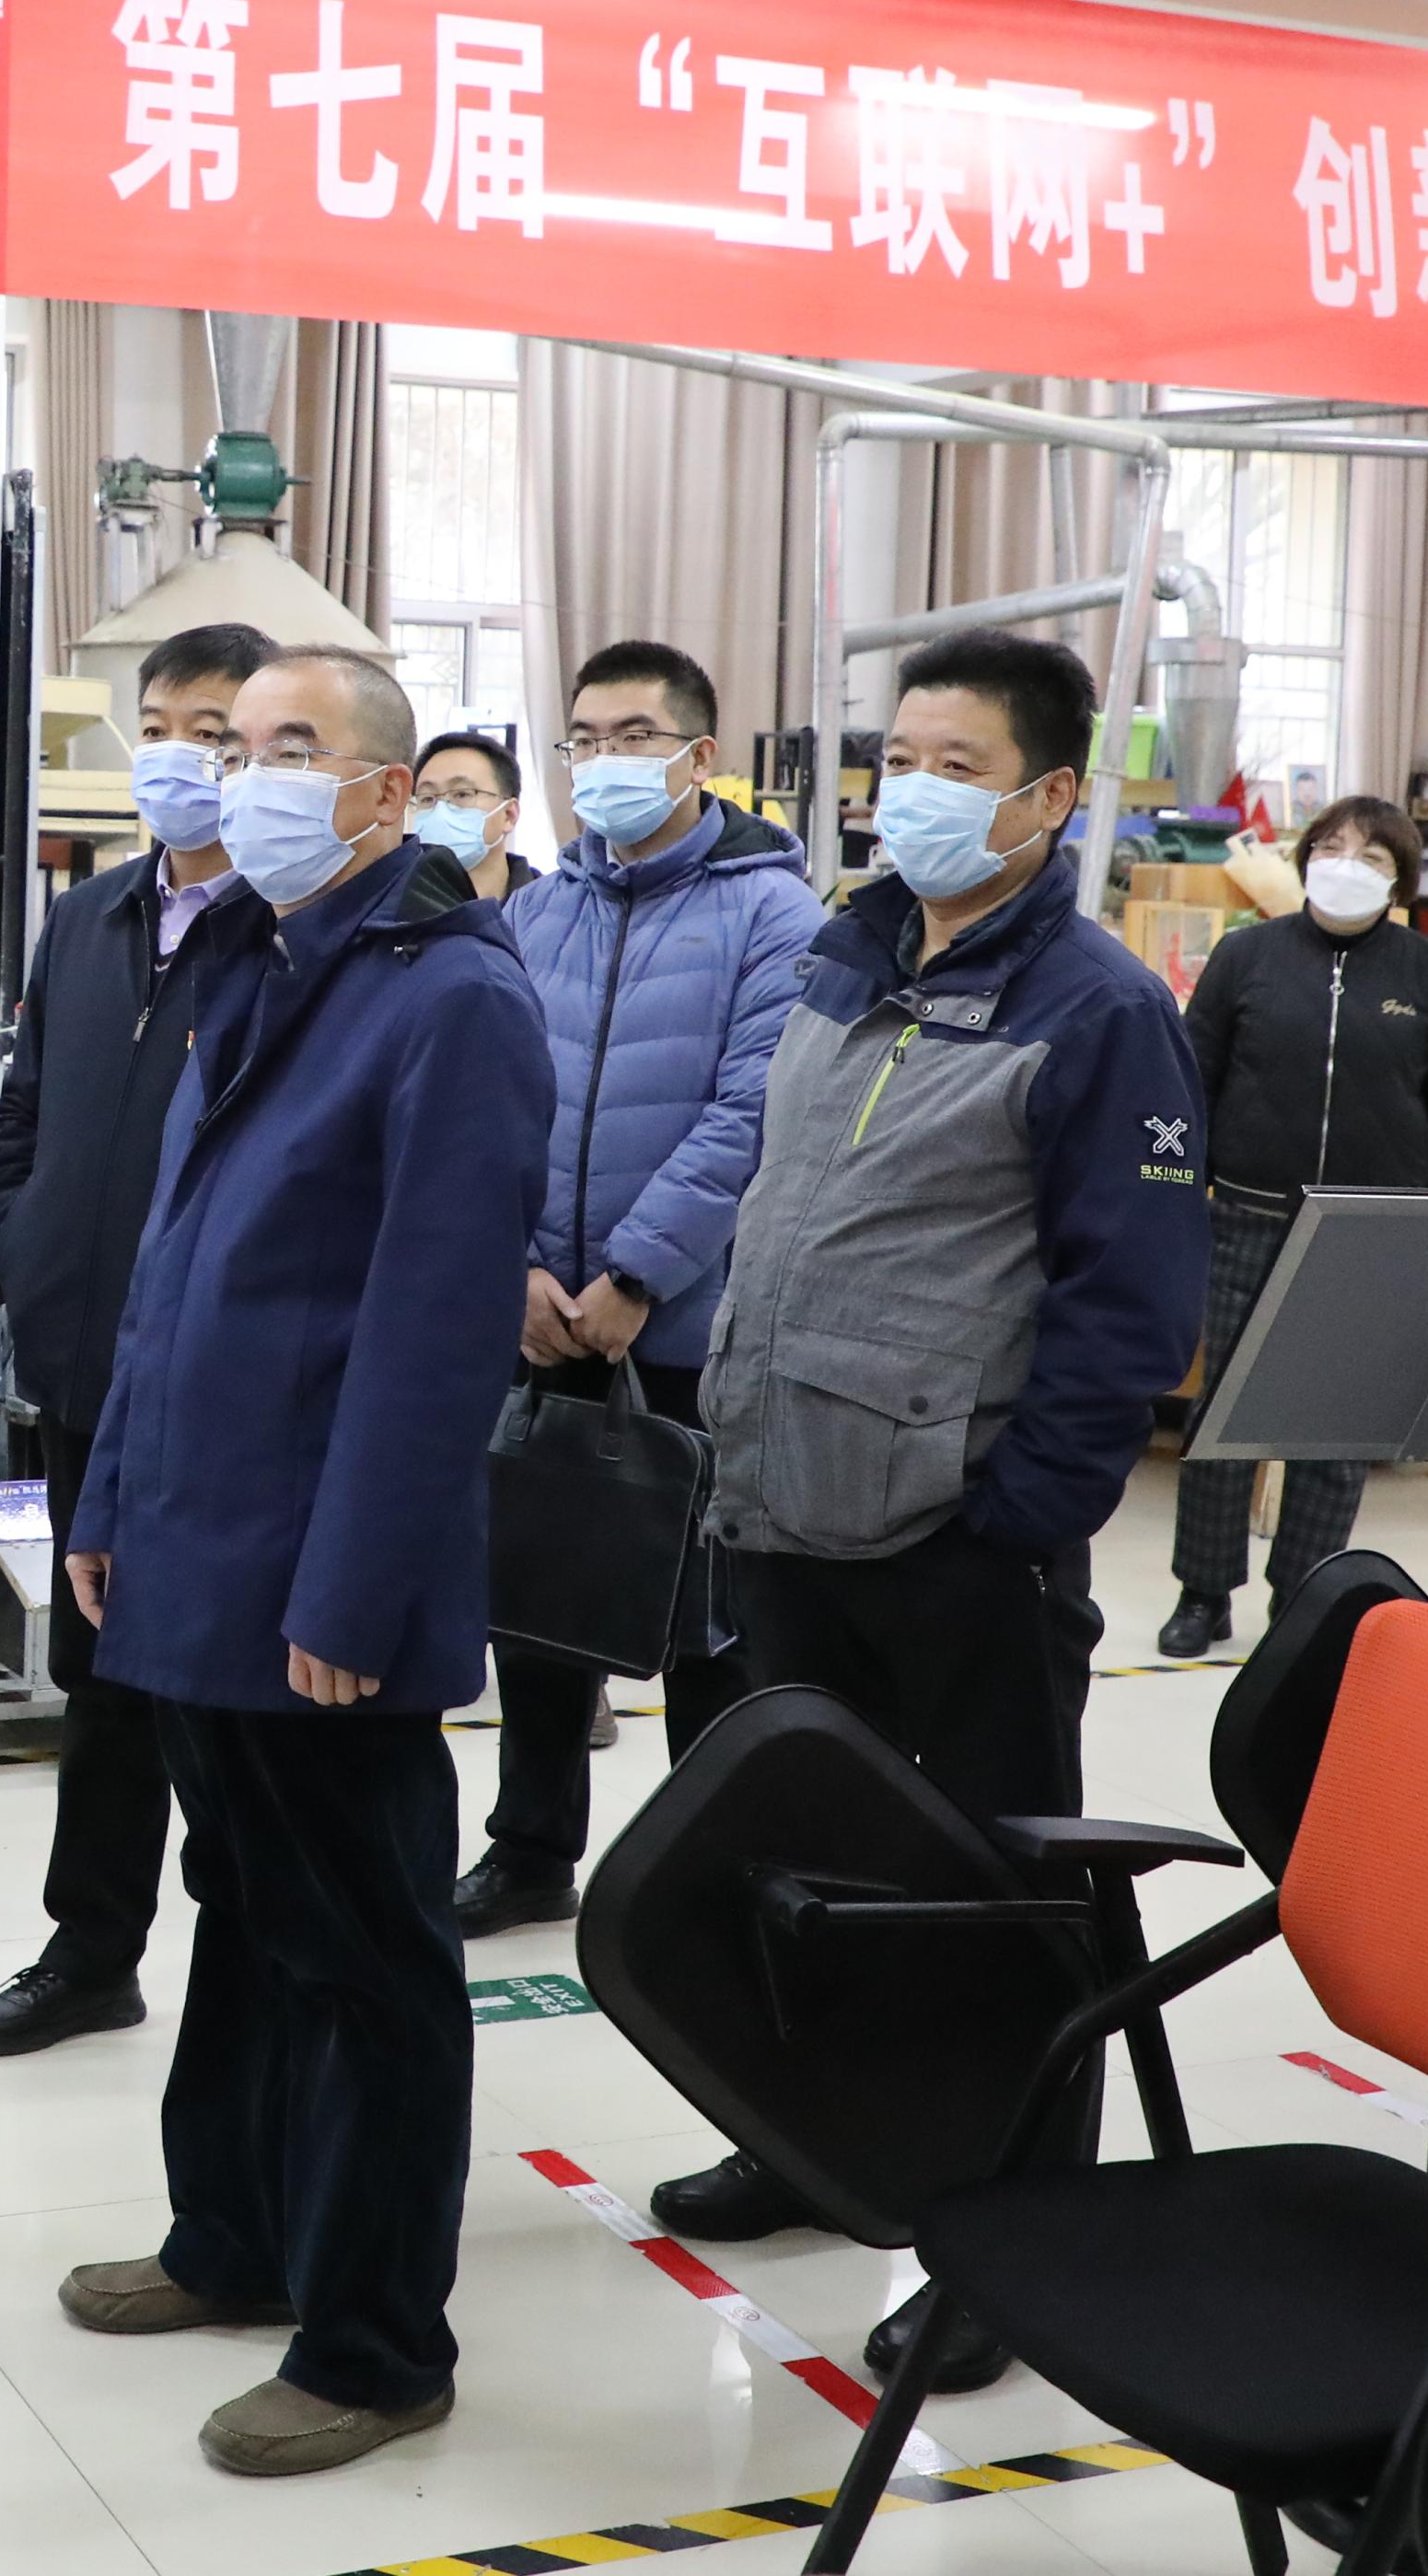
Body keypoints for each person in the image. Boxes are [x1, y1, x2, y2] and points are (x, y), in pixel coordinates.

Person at [656, 629, 1207, 2391]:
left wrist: (1015, 1514)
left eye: (958, 766)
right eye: (900, 757)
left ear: (1051, 797)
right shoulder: (847, 949)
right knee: (798, 1866)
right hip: (783, 1503)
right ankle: (806, 2142)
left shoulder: (1098, 1007)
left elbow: (1133, 1303)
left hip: (958, 1535)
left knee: (999, 1905)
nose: (915, 792)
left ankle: (1010, 2248)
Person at [55, 646, 546, 2480]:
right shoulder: (262, 961)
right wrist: (107, 1494)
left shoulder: (449, 998)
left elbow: (431, 1338)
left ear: (383, 790)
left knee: (364, 1959)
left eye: (285, 745)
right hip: (197, 1541)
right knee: (246, 1914)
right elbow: (174, 1269)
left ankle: (373, 2341)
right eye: (224, 739)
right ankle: (235, 2235)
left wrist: (354, 1590)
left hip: (320, 1576)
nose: (238, 771)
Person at [0, 621, 278, 2055]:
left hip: (216, 1379)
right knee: (96, 1676)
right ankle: (91, 1951)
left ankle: (261, 1954)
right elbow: (26, 1106)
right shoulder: (88, 917)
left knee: (207, 1678)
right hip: (84, 1361)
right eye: (158, 724)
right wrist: (12, 1244)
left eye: (213, 730)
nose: (177, 755)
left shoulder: (284, 932)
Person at [458, 638, 814, 1933]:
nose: (602, 761)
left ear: (699, 755)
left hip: (690, 1327)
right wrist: (521, 1269)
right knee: (540, 1596)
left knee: (705, 1619)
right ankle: (529, 1848)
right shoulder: (536, 910)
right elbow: (488, 1098)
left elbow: (750, 1111)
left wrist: (633, 1275)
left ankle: (712, 1867)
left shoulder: (775, 914)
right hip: (542, 1317)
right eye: (583, 739)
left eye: (632, 736)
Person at [1156, 795, 1428, 1656]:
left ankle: (1302, 1602)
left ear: (1400, 880)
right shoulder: (1247, 957)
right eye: (1332, 847)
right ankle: (1202, 1592)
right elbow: (1186, 1083)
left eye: (1373, 856)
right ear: (1304, 859)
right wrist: (1170, 1192)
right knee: (1224, 1415)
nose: (1348, 865)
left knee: (1338, 1428)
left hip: (1370, 1235)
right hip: (1247, 1215)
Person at [408, 727, 535, 901]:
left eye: (461, 794)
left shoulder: (549, 908)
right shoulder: (393, 909)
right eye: (427, 798)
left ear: (509, 815)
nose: (440, 812)